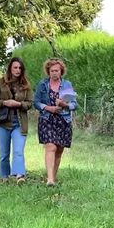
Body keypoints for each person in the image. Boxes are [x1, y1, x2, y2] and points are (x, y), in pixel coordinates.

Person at [33, 58, 77, 186]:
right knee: (50, 146)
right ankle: (50, 179)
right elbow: (36, 102)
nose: (54, 73)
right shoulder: (43, 84)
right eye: (52, 70)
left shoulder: (67, 84)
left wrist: (64, 104)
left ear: (61, 71)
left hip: (64, 120)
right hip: (47, 119)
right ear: (48, 71)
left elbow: (74, 105)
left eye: (57, 70)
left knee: (59, 150)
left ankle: (53, 177)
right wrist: (48, 108)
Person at [0, 57, 33, 183]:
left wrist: (19, 105)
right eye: (15, 67)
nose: (17, 70)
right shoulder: (0, 83)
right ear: (10, 68)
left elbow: (30, 103)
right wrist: (4, 102)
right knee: (4, 153)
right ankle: (4, 176)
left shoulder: (26, 85)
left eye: (20, 68)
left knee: (18, 151)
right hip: (3, 123)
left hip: (19, 123)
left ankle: (20, 176)